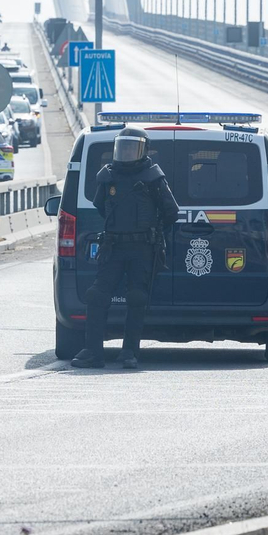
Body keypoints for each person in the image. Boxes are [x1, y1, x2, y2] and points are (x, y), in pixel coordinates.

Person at [73, 127, 180, 370]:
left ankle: (130, 352)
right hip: (114, 246)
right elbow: (101, 206)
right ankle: (93, 352)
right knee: (96, 295)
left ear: (143, 150)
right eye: (124, 147)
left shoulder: (153, 177)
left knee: (137, 298)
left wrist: (153, 232)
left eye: (133, 147)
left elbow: (171, 212)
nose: (128, 152)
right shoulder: (108, 176)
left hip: (142, 248)